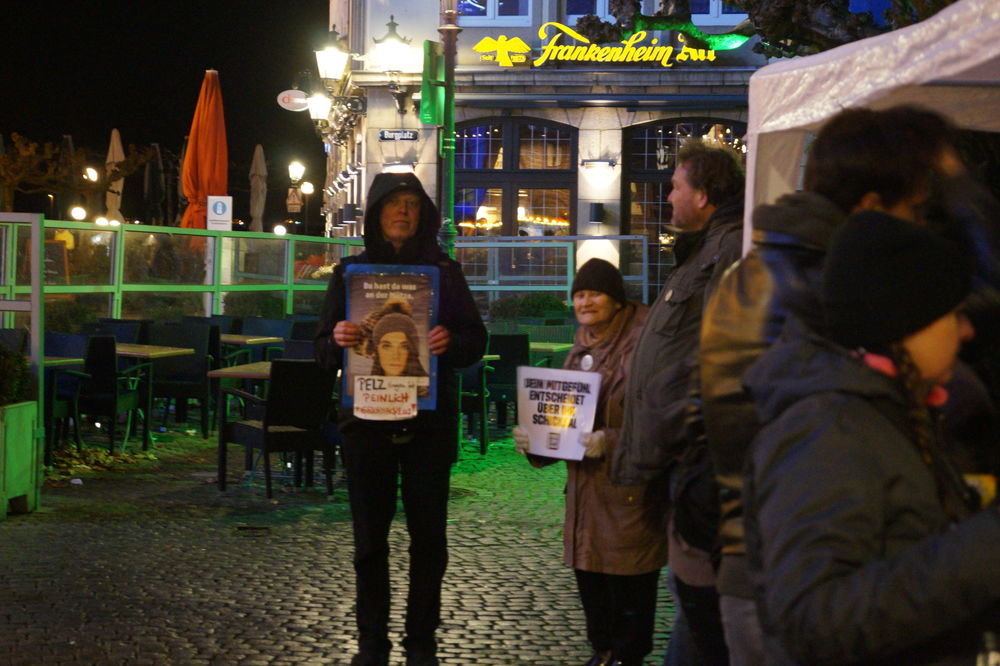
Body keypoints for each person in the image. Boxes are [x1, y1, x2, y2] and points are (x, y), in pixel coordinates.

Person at [697, 105, 1000, 665]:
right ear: (869, 209)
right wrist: (961, 187)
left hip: (762, 552)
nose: (919, 226)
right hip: (795, 562)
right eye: (914, 208)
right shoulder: (830, 293)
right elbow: (823, 612)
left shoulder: (763, 263)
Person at [743, 212, 1000, 665]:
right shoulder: (828, 429)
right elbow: (814, 620)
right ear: (904, 322)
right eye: (952, 313)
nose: (966, 331)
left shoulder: (887, 412)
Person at [314, 172, 487, 666]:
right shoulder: (350, 273)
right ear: (375, 213)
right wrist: (340, 338)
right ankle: (372, 640)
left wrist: (450, 342)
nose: (403, 213)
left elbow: (477, 341)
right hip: (365, 428)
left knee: (428, 540)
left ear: (423, 214)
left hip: (428, 429)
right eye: (394, 205)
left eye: (412, 205)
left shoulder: (445, 272)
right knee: (370, 542)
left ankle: (421, 640)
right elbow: (321, 350)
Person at [611, 140, 745, 665]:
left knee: (696, 601)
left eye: (675, 187)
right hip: (682, 458)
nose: (667, 196)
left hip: (695, 461)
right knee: (688, 601)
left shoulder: (727, 250)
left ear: (704, 195)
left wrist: (681, 429)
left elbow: (720, 354)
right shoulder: (704, 247)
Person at [512, 258, 668, 666]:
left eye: (595, 293)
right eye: (579, 294)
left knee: (629, 595)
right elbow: (563, 423)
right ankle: (603, 654)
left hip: (630, 498)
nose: (585, 301)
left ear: (616, 300)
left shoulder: (645, 344)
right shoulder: (582, 344)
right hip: (585, 497)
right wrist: (535, 442)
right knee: (594, 589)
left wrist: (610, 442)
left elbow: (662, 418)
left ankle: (624, 658)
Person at [364, 300, 429, 379]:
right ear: (377, 350)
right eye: (387, 346)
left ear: (412, 351)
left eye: (404, 347)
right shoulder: (362, 388)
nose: (395, 356)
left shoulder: (430, 388)